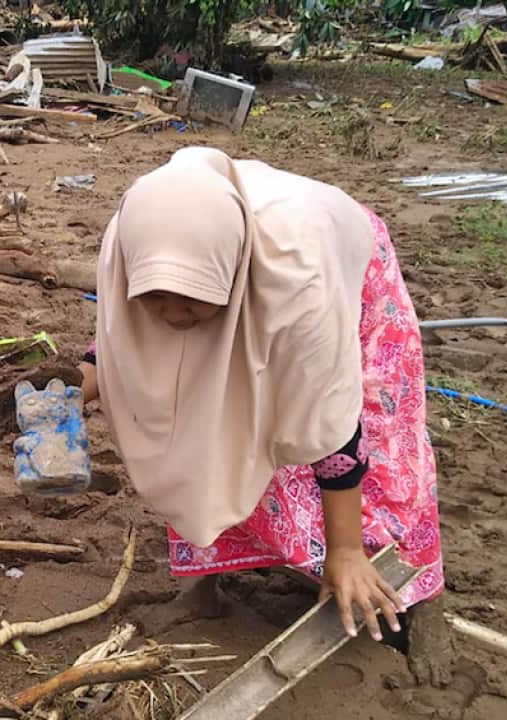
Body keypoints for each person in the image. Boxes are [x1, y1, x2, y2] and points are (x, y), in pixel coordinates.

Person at [82, 147, 445, 649]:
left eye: (191, 302)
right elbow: (126, 335)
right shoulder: (132, 239)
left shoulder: (305, 295)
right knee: (194, 419)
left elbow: (335, 427)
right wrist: (70, 390)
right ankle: (204, 583)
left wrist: (344, 549)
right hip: (219, 241)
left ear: (230, 277)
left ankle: (387, 579)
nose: (173, 317)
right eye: (156, 298)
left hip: (342, 263)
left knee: (375, 424)